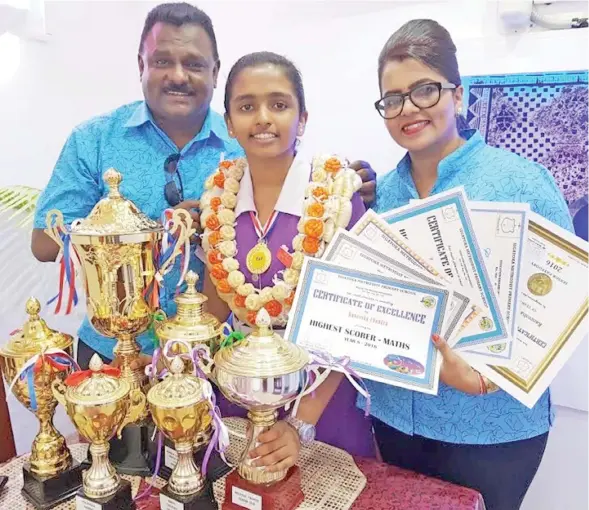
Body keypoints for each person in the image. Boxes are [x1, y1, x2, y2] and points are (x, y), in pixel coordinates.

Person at [30, 2, 376, 370]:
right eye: (163, 61)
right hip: (114, 351)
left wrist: (346, 190)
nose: (179, 76)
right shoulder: (95, 140)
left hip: (220, 357)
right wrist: (153, 234)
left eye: (194, 64)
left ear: (215, 72)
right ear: (141, 65)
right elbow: (43, 244)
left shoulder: (246, 143)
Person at [364, 19, 573, 510]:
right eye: (392, 99)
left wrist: (490, 376)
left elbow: (566, 298)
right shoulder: (383, 194)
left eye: (424, 90)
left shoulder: (521, 183)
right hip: (395, 416)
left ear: (458, 95)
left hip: (491, 429)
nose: (407, 109)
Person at [200, 51, 376, 471]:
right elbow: (215, 308)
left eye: (278, 104)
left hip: (320, 397)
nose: (262, 118)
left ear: (302, 118)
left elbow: (355, 324)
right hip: (238, 394)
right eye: (246, 106)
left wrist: (301, 424)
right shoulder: (218, 196)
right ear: (228, 122)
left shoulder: (337, 197)